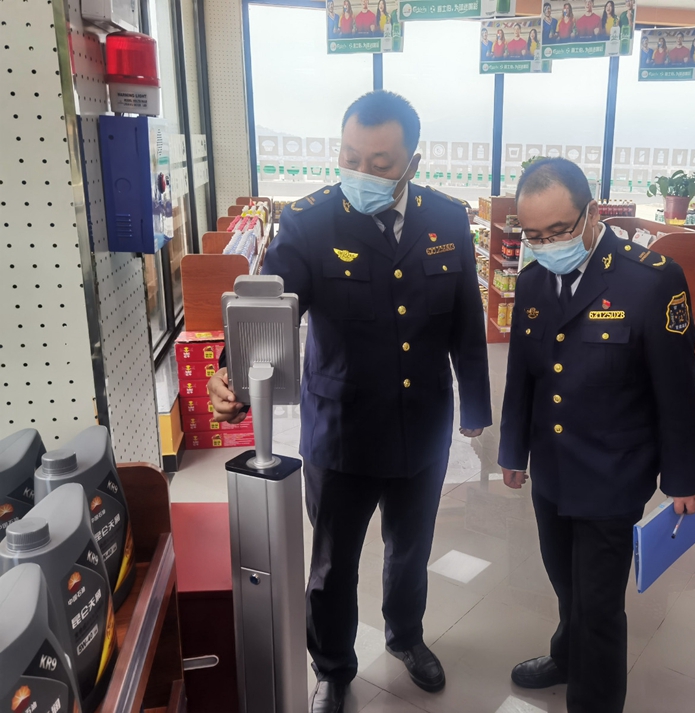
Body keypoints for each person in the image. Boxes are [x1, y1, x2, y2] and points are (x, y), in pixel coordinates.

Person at [209, 91, 492, 713]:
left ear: (411, 164)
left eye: (380, 163)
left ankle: (406, 636)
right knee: (333, 564)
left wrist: (475, 405)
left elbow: (466, 322)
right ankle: (333, 666)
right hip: (340, 429)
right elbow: (270, 308)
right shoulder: (309, 222)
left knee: (410, 549)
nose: (361, 172)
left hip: (422, 425)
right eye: (350, 157)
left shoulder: (446, 220)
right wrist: (234, 378)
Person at [498, 157, 695, 713]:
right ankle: (567, 657)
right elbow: (522, 375)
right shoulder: (534, 279)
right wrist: (513, 451)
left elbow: (675, 387)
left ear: (592, 213)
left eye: (558, 230)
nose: (547, 245)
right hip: (552, 467)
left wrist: (682, 476)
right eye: (534, 235)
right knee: (566, 582)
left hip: (614, 470)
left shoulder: (651, 279)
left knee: (599, 605)